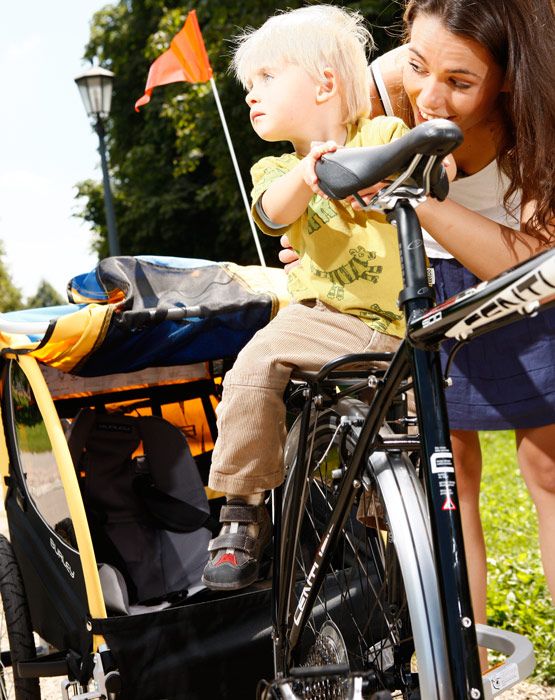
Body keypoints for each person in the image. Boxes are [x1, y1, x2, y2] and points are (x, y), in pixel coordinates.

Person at [279, 0, 555, 636]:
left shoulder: (541, 116)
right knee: (448, 478)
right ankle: (468, 664)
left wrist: (412, 198)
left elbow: (528, 268)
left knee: (548, 467)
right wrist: (316, 238)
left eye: (460, 82)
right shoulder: (383, 88)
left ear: (510, 76)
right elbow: (321, 182)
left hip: (524, 279)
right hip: (426, 281)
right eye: (418, 64)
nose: (429, 95)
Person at [202, 4, 423, 591]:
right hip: (325, 320)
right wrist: (309, 173)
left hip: (406, 322)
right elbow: (273, 215)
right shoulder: (276, 167)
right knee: (253, 365)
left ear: (325, 81)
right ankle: (242, 507)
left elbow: (424, 179)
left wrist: (391, 175)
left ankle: (400, 533)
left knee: (422, 434)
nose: (252, 95)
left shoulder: (382, 136)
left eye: (267, 78)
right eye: (249, 86)